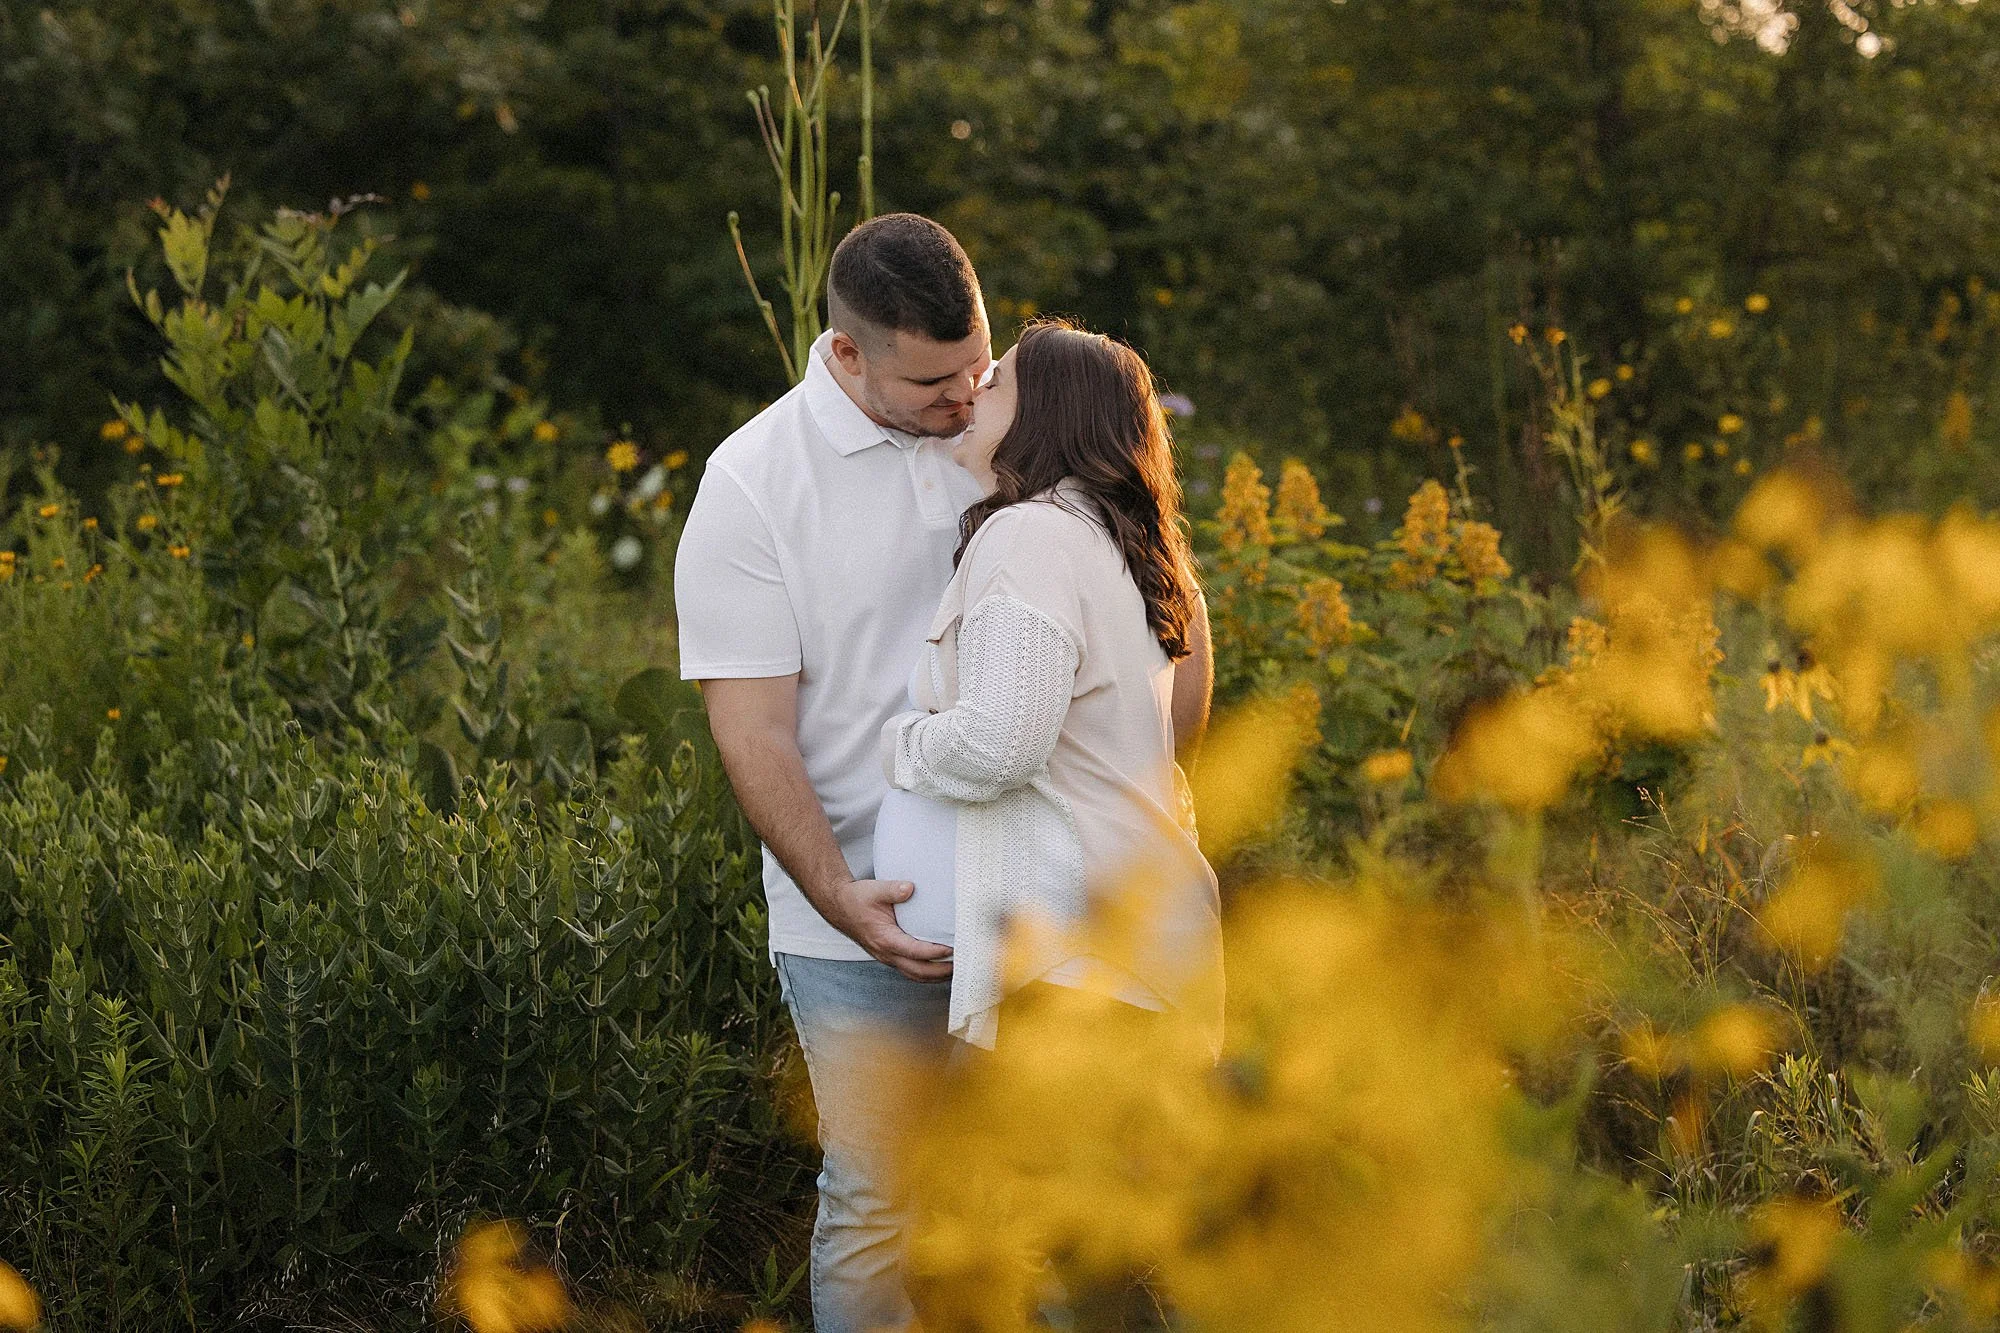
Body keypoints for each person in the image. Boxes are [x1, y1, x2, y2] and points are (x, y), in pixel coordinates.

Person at [675, 215, 1211, 1333]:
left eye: (978, 368)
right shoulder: (753, 484)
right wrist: (840, 897)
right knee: (880, 1201)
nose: (964, 397)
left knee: (1043, 1207)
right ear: (850, 352)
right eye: (933, 380)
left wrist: (1133, 802)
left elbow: (1168, 617)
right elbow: (753, 731)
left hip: (1044, 918)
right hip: (874, 916)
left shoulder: (1027, 440)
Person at [876, 319, 1224, 1053]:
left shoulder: (1031, 534)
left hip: (1077, 969)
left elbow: (1002, 744)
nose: (973, 389)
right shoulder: (1115, 541)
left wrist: (900, 744)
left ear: (1045, 412)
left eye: (995, 379)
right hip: (1117, 958)